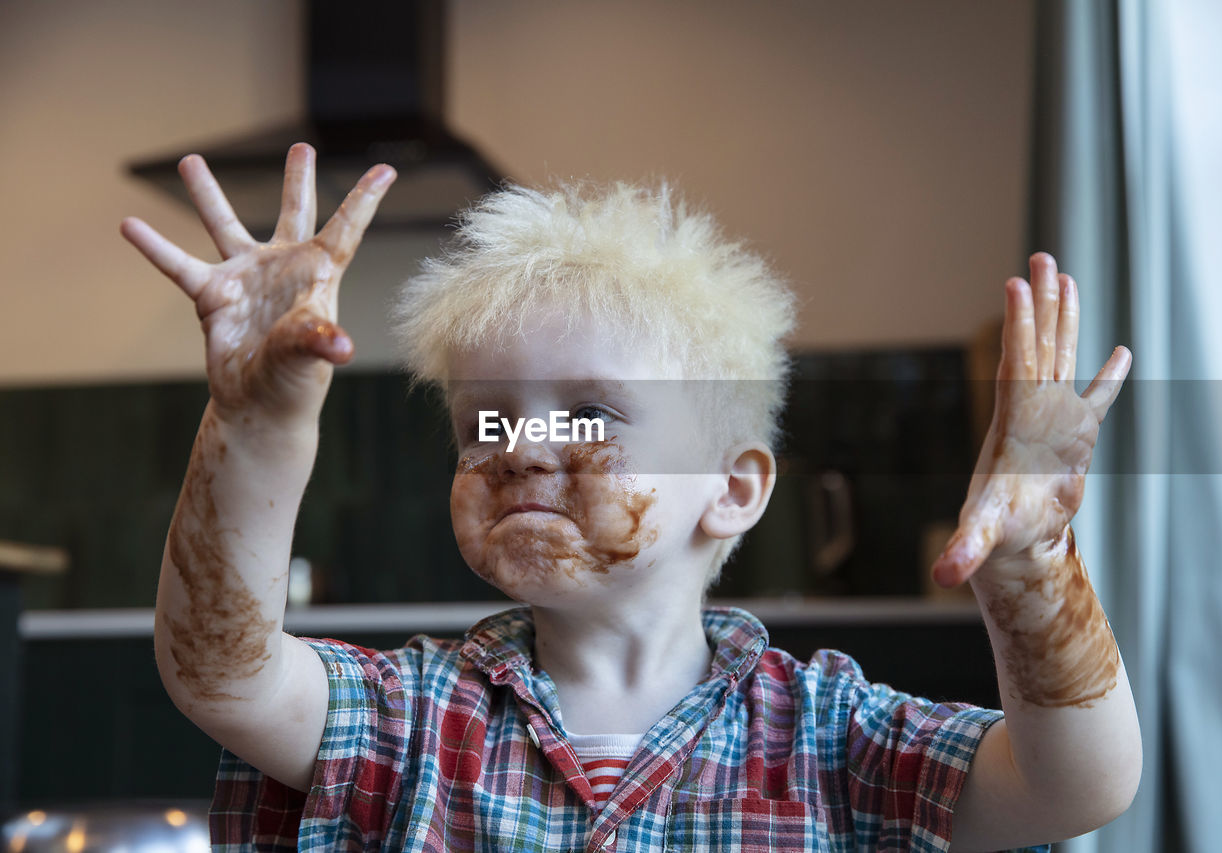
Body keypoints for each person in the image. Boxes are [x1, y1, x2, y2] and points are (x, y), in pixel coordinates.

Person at [121, 143, 1141, 852]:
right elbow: (221, 675)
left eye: (589, 415)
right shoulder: (407, 717)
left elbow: (1073, 784)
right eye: (488, 422)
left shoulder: (831, 736)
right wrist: (257, 426)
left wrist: (1030, 566)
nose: (522, 449)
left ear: (732, 489)